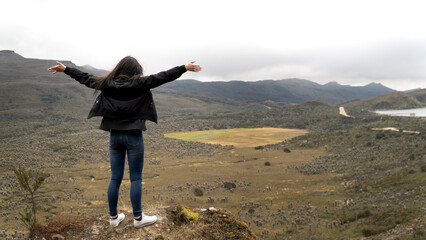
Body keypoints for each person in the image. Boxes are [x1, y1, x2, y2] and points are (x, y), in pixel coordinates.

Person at [48, 57, 201, 228]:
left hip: (115, 137)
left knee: (115, 178)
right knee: (135, 178)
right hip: (134, 136)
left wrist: (66, 69)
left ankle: (113, 218)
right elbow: (163, 76)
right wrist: (184, 68)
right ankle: (138, 218)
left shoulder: (107, 83)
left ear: (120, 68)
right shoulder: (140, 84)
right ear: (135, 71)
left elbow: (85, 78)